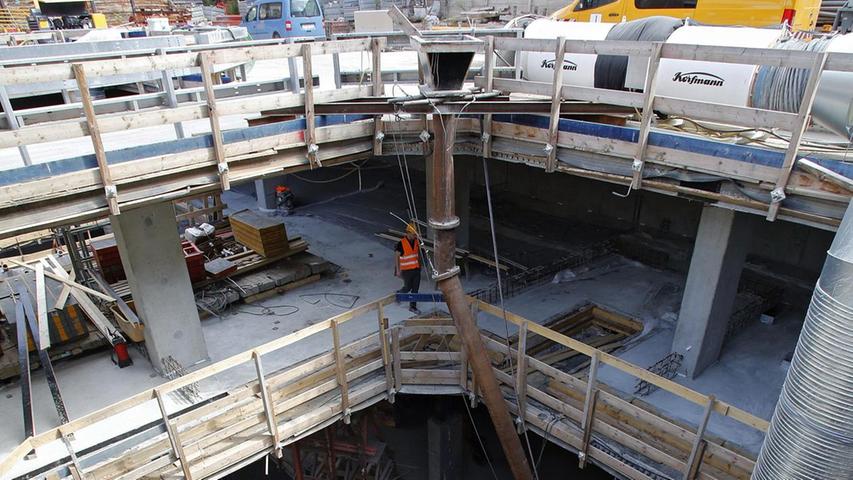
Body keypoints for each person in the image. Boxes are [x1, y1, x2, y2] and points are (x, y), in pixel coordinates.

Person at [395, 223, 421, 314]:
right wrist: (398, 270)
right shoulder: (401, 243)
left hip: (416, 269)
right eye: (414, 234)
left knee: (415, 289)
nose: (415, 236)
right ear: (408, 233)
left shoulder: (416, 241)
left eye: (415, 234)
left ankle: (413, 307)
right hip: (406, 270)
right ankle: (399, 294)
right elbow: (397, 256)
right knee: (407, 288)